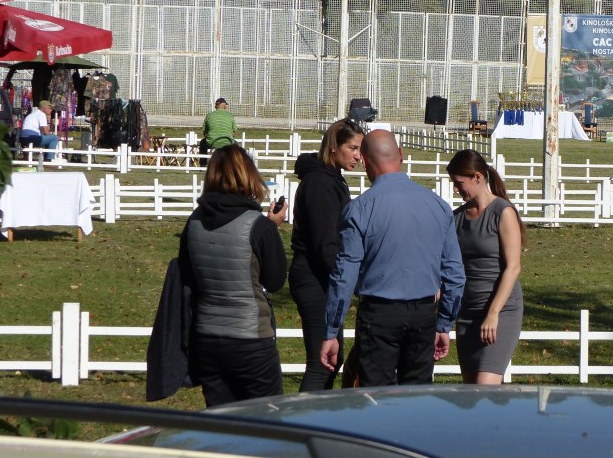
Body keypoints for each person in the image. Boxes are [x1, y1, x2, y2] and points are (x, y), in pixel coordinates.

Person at [319, 129, 465, 386]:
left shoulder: (359, 210)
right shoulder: (438, 206)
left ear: (365, 161)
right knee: (417, 398)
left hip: (379, 314)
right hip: (423, 313)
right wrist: (444, 323)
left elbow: (345, 275)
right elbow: (454, 274)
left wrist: (331, 330)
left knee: (376, 398)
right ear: (401, 155)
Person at [177, 144, 289, 407]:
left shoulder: (194, 222)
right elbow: (275, 281)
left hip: (207, 336)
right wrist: (271, 229)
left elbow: (188, 274)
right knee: (266, 418)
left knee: (221, 419)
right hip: (251, 338)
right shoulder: (258, 226)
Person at [289, 119, 364, 391]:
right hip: (314, 277)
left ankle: (317, 412)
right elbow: (326, 245)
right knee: (322, 362)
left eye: (361, 149)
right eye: (352, 148)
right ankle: (305, 415)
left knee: (332, 358)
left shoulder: (331, 179)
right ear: (334, 147)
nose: (358, 156)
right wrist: (351, 282)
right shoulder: (321, 183)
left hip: (323, 276)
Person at [446, 149, 525, 384]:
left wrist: (493, 314)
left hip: (500, 311)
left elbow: (513, 267)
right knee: (472, 394)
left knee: (484, 389)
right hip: (467, 313)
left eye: (459, 183)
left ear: (477, 177)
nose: (455, 189)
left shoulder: (503, 212)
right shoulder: (457, 217)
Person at [200, 97, 237, 162]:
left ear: (216, 106)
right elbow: (234, 133)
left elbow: (204, 132)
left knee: (202, 143)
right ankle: (234, 163)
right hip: (227, 142)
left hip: (212, 142)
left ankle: (203, 163)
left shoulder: (209, 116)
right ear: (224, 105)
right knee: (235, 144)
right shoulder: (230, 116)